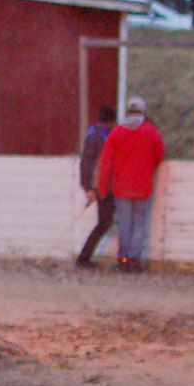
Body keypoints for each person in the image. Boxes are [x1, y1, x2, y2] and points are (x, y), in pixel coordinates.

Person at [94, 96, 164, 274]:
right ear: (143, 112)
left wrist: (102, 188)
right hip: (143, 187)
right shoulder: (151, 131)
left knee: (124, 225)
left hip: (122, 188)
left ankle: (123, 260)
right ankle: (134, 261)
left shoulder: (117, 132)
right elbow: (159, 154)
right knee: (139, 225)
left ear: (127, 112)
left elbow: (106, 162)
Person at [74, 105, 118, 269]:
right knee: (104, 222)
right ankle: (83, 258)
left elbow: (86, 163)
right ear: (111, 121)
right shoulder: (99, 137)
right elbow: (87, 163)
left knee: (104, 222)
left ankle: (84, 258)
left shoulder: (95, 135)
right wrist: (88, 188)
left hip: (101, 184)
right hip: (101, 185)